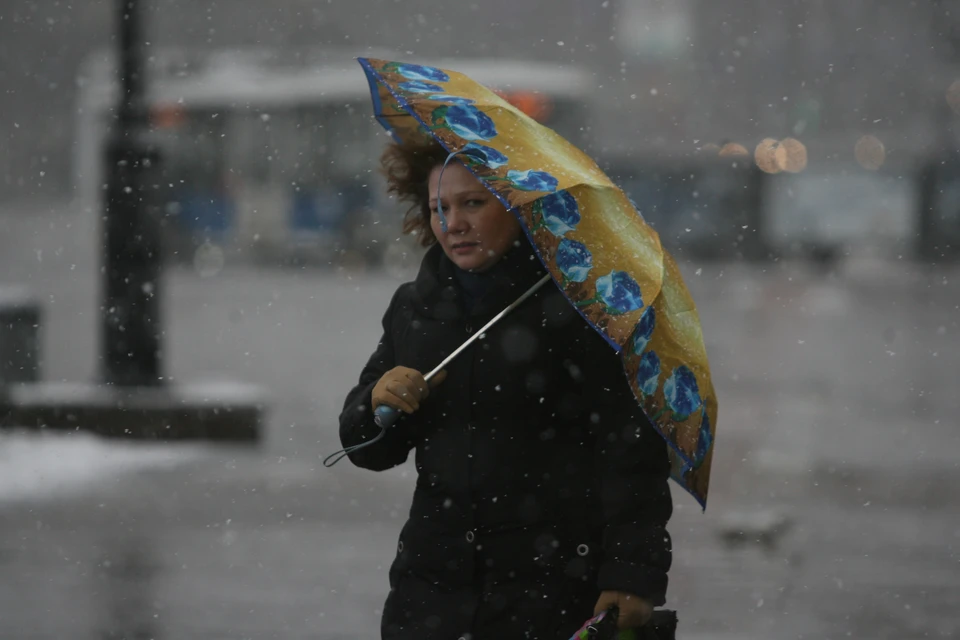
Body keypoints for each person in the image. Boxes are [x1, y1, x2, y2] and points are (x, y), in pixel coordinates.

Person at [338, 132, 673, 639]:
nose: (454, 224)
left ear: (519, 206)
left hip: (550, 591)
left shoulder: (583, 310)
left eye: (473, 203)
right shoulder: (416, 307)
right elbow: (368, 449)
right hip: (432, 593)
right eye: (439, 208)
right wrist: (377, 401)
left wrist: (632, 578)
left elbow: (630, 452)